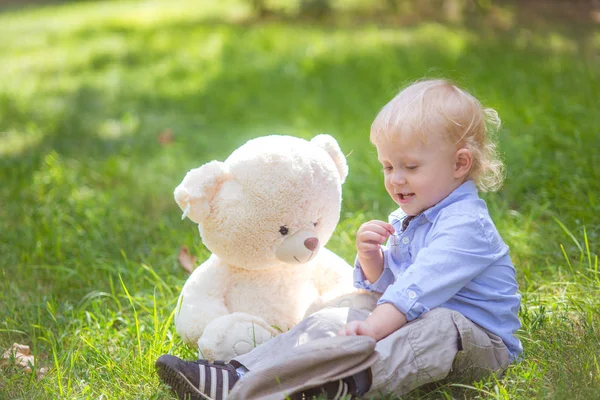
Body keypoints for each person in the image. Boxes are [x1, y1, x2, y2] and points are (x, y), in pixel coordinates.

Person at [155, 78, 522, 400]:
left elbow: (420, 287)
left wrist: (375, 326)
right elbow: (391, 287)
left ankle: (327, 386)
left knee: (439, 327)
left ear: (459, 164)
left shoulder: (466, 225)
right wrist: (372, 261)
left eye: (410, 167)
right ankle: (240, 374)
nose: (395, 180)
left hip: (477, 343)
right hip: (410, 316)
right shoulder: (411, 218)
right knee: (340, 314)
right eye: (388, 167)